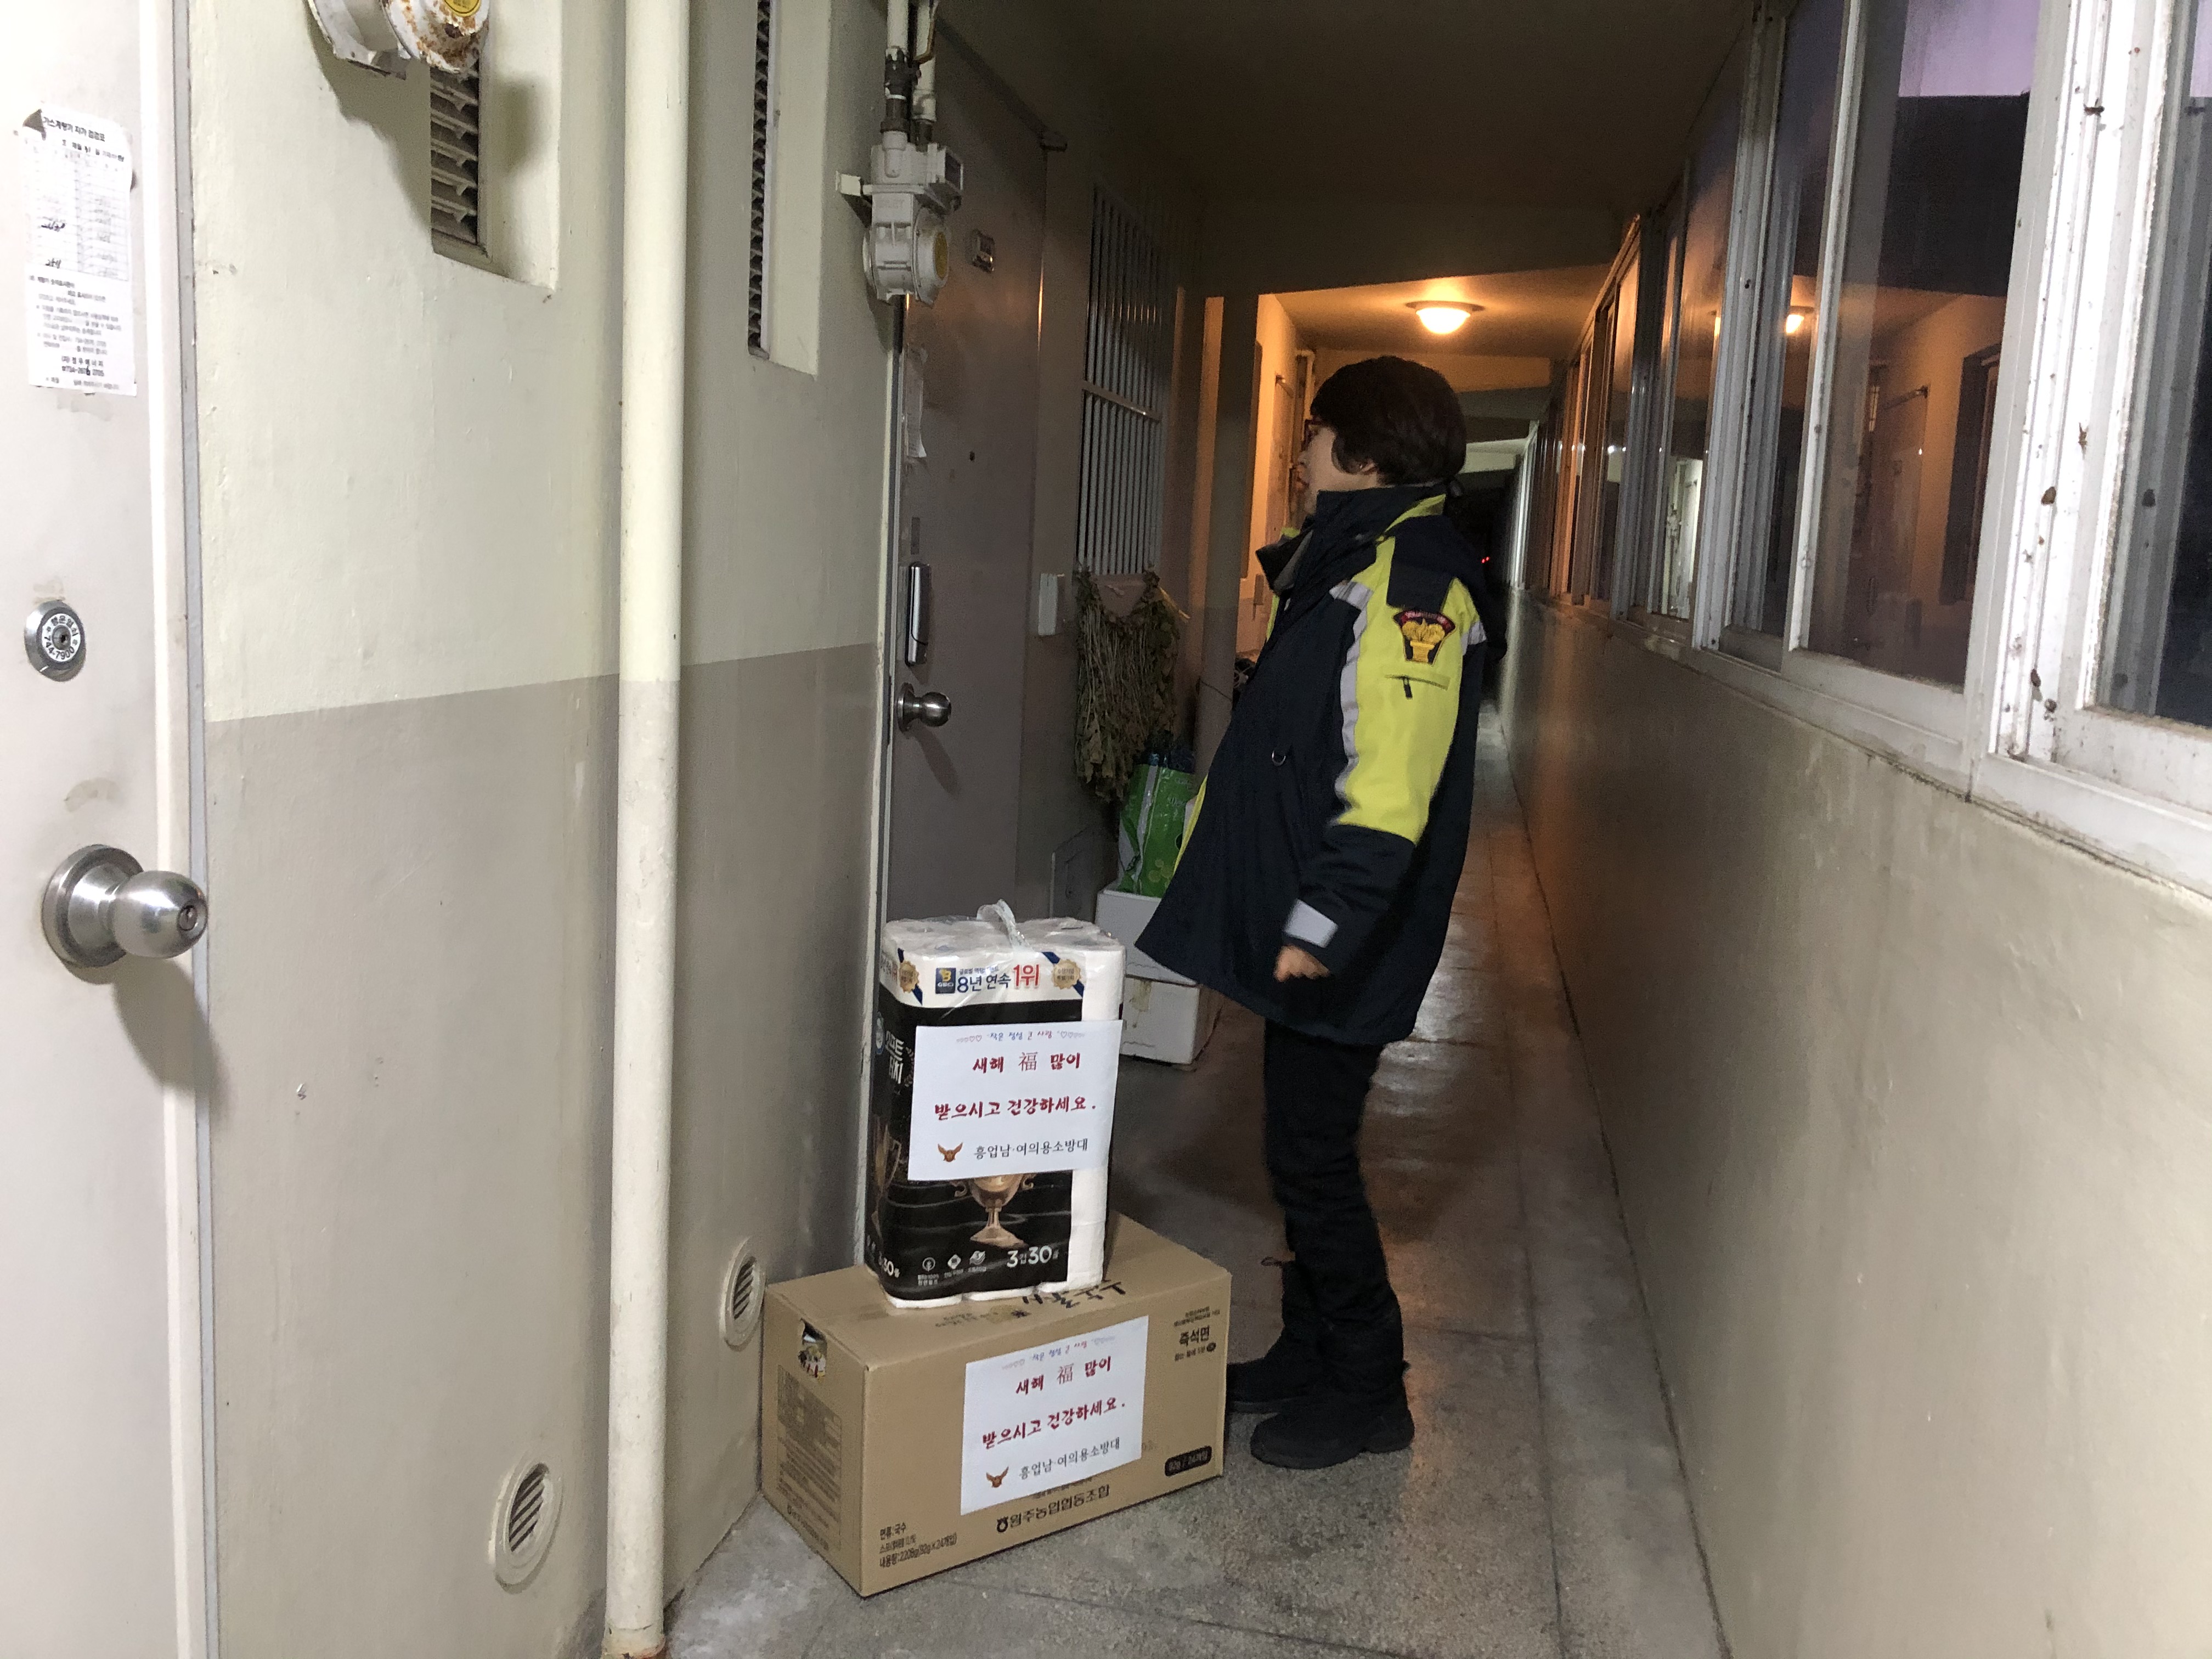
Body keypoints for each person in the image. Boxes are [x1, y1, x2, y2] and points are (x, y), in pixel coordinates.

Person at [1137, 356, 1502, 1469]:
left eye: (1312, 432)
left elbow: (1393, 779)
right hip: (1315, 910)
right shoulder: (1351, 557)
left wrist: (1327, 921)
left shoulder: (1413, 582)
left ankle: (1371, 1387)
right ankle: (1309, 1349)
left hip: (1352, 928)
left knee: (1313, 1158)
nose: (1298, 454)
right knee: (1295, 1147)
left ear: (1366, 455)